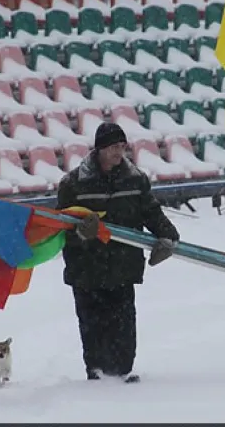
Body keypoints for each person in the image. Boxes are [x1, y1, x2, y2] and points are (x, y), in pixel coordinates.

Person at [56, 122, 180, 383]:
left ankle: (123, 372)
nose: (118, 152)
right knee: (92, 325)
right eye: (113, 147)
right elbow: (60, 226)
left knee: (124, 325)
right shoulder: (73, 183)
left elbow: (151, 212)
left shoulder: (135, 179)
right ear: (100, 148)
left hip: (123, 265)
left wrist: (168, 235)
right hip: (87, 268)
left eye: (122, 147)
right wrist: (80, 234)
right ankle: (97, 373)